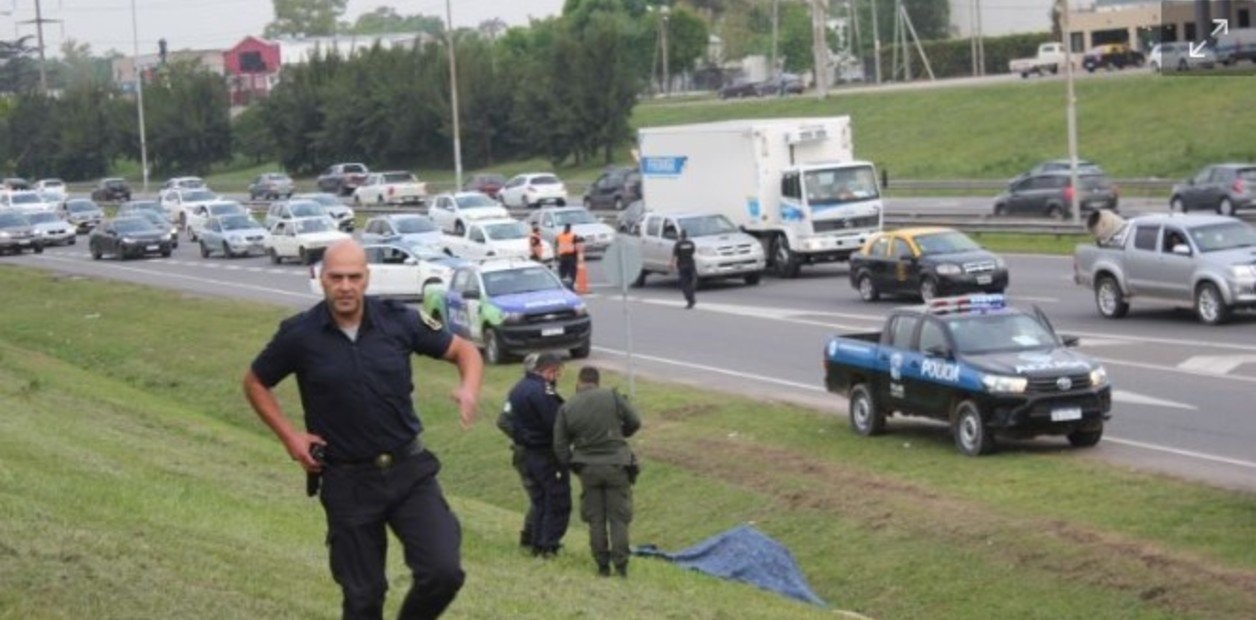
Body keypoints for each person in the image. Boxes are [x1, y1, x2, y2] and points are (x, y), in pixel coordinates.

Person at [242, 239, 483, 620]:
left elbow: (464, 351)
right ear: (322, 280)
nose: (345, 286)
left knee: (443, 572)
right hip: (347, 480)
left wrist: (468, 388)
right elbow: (255, 382)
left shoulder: (398, 320)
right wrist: (290, 437)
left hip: (409, 472)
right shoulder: (299, 335)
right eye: (336, 277)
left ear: (367, 278)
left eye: (354, 277)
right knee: (364, 597)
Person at [554, 366, 641, 578]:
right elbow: (635, 421)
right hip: (616, 465)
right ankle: (621, 566)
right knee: (619, 518)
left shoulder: (567, 407)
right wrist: (622, 433)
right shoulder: (611, 396)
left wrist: (573, 465)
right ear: (597, 381)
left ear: (579, 382)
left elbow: (560, 445)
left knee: (596, 519)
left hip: (588, 468)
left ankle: (602, 565)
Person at [507, 351, 571, 557]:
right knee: (557, 500)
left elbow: (507, 420)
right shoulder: (544, 392)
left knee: (541, 500)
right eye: (557, 373)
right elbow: (556, 424)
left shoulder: (518, 388)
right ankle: (548, 545)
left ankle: (536, 543)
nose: (557, 378)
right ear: (550, 370)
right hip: (546, 454)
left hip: (528, 452)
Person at [497, 353, 540, 549]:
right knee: (539, 497)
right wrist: (524, 437)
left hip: (539, 453)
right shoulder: (519, 393)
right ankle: (529, 539)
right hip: (526, 454)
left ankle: (534, 538)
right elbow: (503, 420)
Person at [670, 229, 697, 309]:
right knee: (691, 282)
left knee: (684, 284)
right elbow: (693, 252)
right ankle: (692, 296)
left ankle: (690, 300)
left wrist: (672, 264)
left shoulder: (678, 244)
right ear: (686, 235)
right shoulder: (691, 243)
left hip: (682, 266)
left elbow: (675, 255)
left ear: (680, 236)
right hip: (691, 264)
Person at [555, 224, 580, 288]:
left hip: (563, 256)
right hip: (570, 256)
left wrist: (557, 256)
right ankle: (571, 284)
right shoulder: (573, 236)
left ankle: (564, 284)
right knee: (572, 271)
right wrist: (577, 257)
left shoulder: (559, 236)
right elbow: (577, 247)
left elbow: (556, 246)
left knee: (563, 272)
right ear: (570, 229)